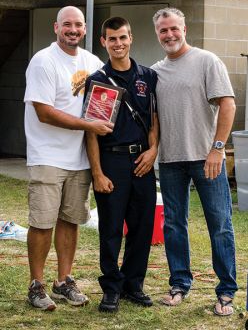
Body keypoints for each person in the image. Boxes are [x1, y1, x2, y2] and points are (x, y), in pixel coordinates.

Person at [24, 6, 113, 311]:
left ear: (85, 29)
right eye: (67, 25)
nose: (72, 30)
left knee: (70, 220)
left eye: (78, 25)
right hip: (47, 154)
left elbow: (110, 91)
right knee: (42, 222)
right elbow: (44, 112)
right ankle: (36, 285)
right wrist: (90, 124)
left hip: (80, 158)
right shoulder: (43, 61)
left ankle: (63, 281)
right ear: (56, 27)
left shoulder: (92, 62)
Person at [151, 7, 238, 316]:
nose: (169, 34)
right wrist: (153, 151)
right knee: (174, 225)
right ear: (157, 34)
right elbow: (155, 119)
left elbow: (227, 105)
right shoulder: (155, 71)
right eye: (163, 30)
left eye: (174, 28)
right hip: (171, 161)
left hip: (206, 159)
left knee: (220, 225)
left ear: (184, 29)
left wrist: (218, 149)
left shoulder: (206, 61)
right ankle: (179, 284)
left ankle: (226, 291)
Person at [85, 16, 159, 313]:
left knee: (142, 227)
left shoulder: (148, 77)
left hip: (142, 160)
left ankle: (133, 285)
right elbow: (91, 130)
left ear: (131, 39)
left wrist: (153, 151)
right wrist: (98, 173)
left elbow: (154, 120)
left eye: (123, 38)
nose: (118, 44)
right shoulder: (98, 80)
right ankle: (112, 288)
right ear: (104, 41)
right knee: (112, 229)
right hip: (112, 161)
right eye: (112, 39)